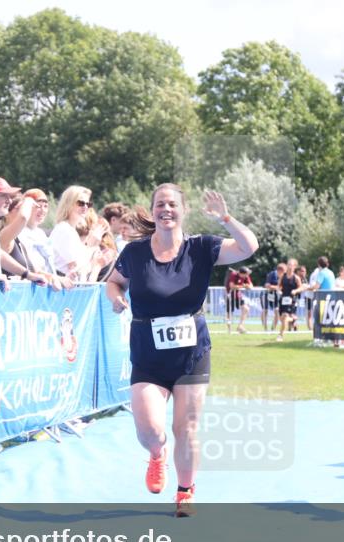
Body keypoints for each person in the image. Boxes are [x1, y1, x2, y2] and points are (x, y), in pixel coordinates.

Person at [106, 185, 257, 517]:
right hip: (148, 354)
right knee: (149, 430)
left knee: (185, 427)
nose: (166, 209)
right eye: (160, 204)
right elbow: (113, 281)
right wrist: (116, 297)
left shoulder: (202, 247)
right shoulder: (135, 252)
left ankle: (186, 491)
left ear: (183, 210)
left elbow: (248, 247)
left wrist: (226, 218)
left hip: (191, 353)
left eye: (172, 204)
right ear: (153, 210)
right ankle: (157, 454)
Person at [0, 189, 65, 289]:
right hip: (9, 296)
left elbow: (32, 269)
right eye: (19, 208)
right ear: (7, 213)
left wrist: (54, 277)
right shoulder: (4, 236)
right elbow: (23, 218)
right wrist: (28, 200)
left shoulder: (18, 239)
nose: (25, 212)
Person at [51, 185, 107, 281]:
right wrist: (91, 247)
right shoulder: (64, 229)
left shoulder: (70, 230)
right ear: (69, 204)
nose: (85, 207)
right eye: (81, 203)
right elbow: (76, 268)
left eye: (88, 204)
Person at [276, 260, 302, 342]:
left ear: (295, 267)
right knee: (282, 318)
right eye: (289, 264)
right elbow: (278, 286)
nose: (290, 266)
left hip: (291, 300)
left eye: (292, 265)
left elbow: (300, 288)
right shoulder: (283, 276)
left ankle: (280, 335)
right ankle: (293, 319)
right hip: (283, 299)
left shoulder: (296, 278)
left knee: (284, 317)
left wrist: (295, 291)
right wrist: (278, 290)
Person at [226, 266, 253, 333]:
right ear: (241, 273)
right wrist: (243, 286)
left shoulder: (246, 276)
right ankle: (229, 330)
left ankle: (240, 326)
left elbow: (251, 286)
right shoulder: (233, 275)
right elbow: (231, 286)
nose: (247, 275)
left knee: (246, 309)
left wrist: (246, 286)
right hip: (230, 296)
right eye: (246, 274)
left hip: (238, 296)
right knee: (229, 313)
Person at [262, 262, 285, 331]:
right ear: (279, 270)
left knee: (277, 311)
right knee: (265, 310)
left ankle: (273, 328)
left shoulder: (284, 276)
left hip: (276, 295)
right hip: (267, 294)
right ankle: (265, 328)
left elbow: (282, 287)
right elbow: (267, 285)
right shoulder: (272, 274)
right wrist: (277, 287)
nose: (285, 272)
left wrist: (277, 287)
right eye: (284, 271)